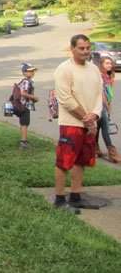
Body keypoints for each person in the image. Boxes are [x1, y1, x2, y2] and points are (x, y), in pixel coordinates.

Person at [53, 34, 103, 214]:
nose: (86, 51)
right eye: (81, 48)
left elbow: (99, 93)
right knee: (64, 161)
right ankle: (59, 199)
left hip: (89, 124)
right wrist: (87, 118)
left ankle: (75, 196)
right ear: (72, 48)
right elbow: (65, 99)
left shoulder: (94, 69)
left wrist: (95, 115)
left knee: (82, 160)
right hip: (71, 124)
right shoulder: (64, 69)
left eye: (88, 48)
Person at [96, 55, 121, 162]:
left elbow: (109, 92)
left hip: (106, 104)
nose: (109, 65)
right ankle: (111, 151)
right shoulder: (100, 76)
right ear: (101, 64)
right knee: (105, 125)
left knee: (98, 126)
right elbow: (101, 93)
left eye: (110, 63)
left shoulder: (110, 76)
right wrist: (107, 106)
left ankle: (94, 150)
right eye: (106, 63)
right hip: (100, 104)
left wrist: (109, 104)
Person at [17, 64, 39, 149]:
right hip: (24, 105)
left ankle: (24, 139)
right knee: (24, 123)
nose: (32, 72)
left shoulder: (28, 81)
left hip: (24, 105)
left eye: (33, 71)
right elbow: (23, 93)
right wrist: (34, 97)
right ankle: (23, 142)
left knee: (25, 123)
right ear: (24, 72)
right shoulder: (26, 81)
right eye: (30, 71)